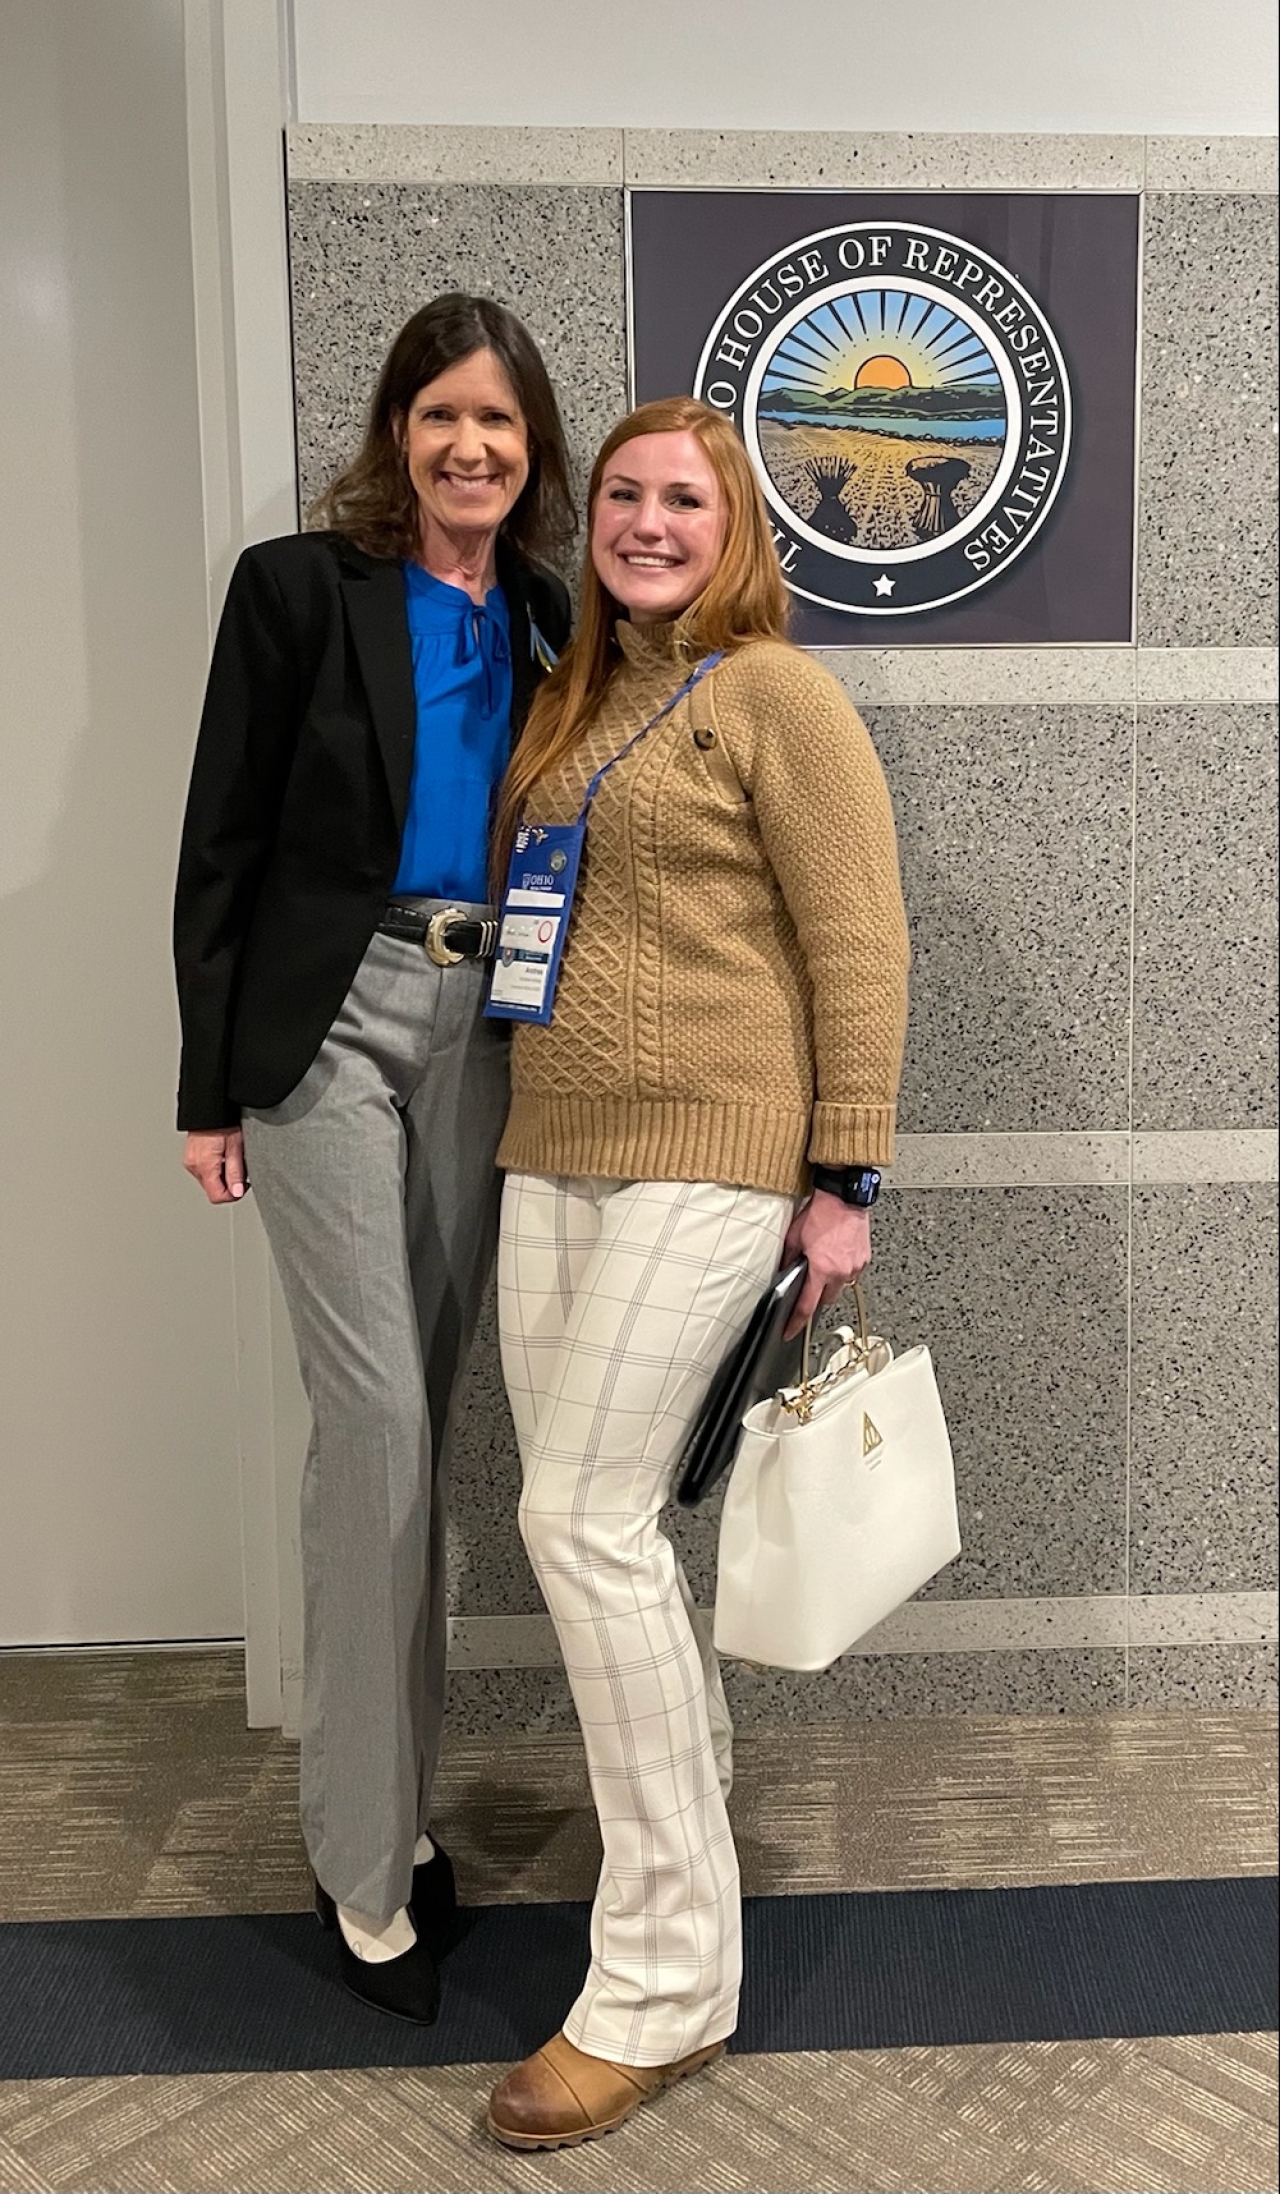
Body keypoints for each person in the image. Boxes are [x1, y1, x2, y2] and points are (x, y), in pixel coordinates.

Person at [484, 397, 910, 2150]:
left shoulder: (776, 695)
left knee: (576, 1521)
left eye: (685, 499)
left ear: (739, 528)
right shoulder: (574, 693)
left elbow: (857, 932)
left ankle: (664, 1980)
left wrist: (846, 1177)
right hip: (552, 1148)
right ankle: (692, 1836)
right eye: (623, 497)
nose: (648, 522)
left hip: (716, 1149)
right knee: (608, 1523)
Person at [173, 294, 574, 2023]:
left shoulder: (557, 616)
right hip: (328, 1021)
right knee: (379, 1428)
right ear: (396, 435)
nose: (468, 447)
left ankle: (397, 1813)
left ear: (531, 447)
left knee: (427, 1409)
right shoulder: (295, 589)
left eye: (497, 422)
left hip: (488, 1030)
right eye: (439, 419)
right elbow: (222, 840)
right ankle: (361, 1862)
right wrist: (207, 1085)